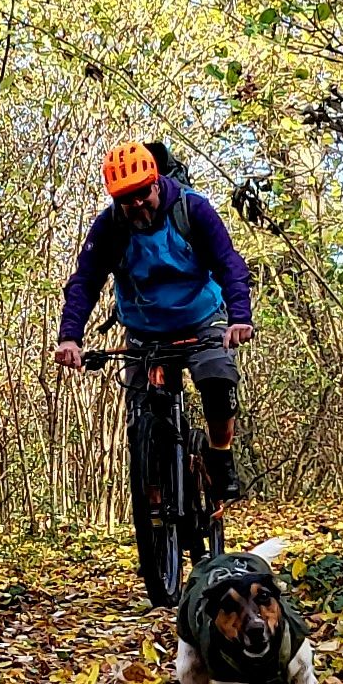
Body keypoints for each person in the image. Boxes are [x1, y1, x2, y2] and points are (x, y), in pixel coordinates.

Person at [54, 141, 255, 502]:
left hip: (202, 318)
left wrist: (239, 318)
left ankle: (220, 454)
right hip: (145, 330)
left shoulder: (192, 209)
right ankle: (156, 511)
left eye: (142, 193)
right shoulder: (110, 228)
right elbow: (85, 282)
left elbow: (229, 264)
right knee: (141, 419)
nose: (136, 204)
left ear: (156, 182)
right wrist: (70, 337)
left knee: (217, 378)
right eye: (125, 199)